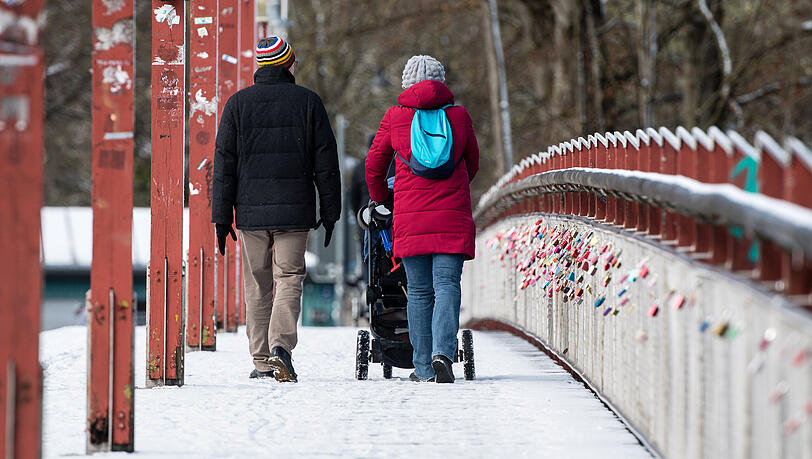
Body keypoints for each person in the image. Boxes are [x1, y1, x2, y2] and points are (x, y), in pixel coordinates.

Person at [212, 36, 341, 382]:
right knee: (289, 279)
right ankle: (281, 347)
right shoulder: (309, 103)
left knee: (257, 285)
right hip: (295, 213)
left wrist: (221, 218)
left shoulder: (237, 105)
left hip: (251, 214)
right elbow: (326, 164)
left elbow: (224, 166)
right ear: (288, 64)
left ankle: (261, 361)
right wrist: (330, 212)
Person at [365, 55, 479, 383]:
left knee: (417, 291)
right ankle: (443, 352)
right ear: (441, 82)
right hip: (452, 215)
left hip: (410, 217)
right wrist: (453, 190)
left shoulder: (395, 118)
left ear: (405, 84)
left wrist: (383, 199)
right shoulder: (458, 117)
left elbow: (373, 166)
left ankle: (425, 368)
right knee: (447, 285)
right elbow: (472, 162)